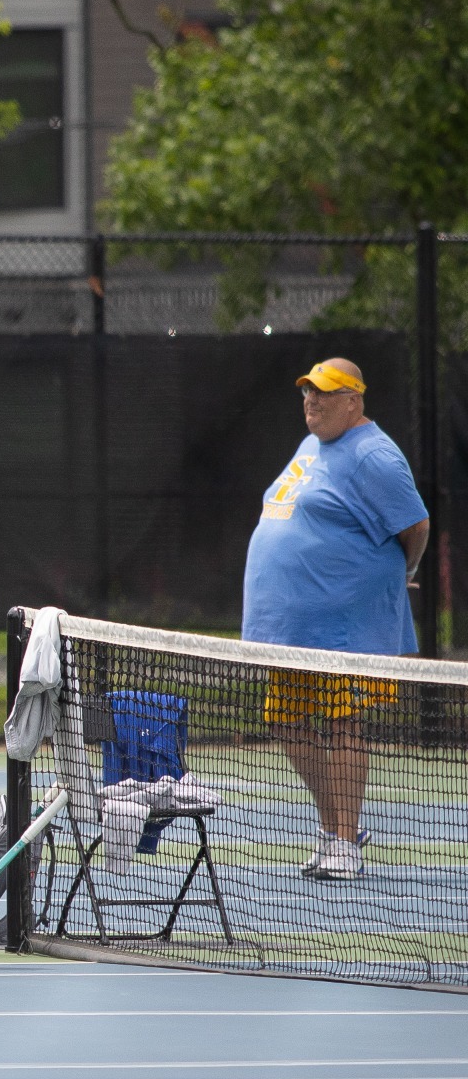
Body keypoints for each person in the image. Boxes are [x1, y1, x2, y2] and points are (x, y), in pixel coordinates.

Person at [243, 358, 428, 882]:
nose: (311, 401)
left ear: (354, 400)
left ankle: (345, 841)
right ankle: (334, 828)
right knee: (285, 720)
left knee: (343, 722)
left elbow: (415, 525)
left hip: (342, 623)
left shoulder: (374, 454)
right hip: (290, 628)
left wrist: (401, 572)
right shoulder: (314, 443)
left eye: (323, 393)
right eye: (307, 392)